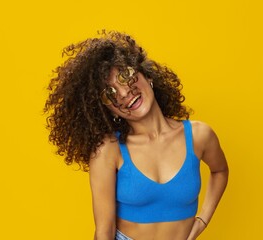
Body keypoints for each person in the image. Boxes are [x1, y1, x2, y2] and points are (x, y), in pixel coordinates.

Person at [44, 30, 229, 240]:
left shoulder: (199, 136)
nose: (123, 93)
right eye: (109, 94)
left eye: (125, 76)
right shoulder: (108, 150)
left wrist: (203, 219)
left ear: (147, 75)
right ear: (108, 110)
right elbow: (104, 232)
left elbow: (220, 171)